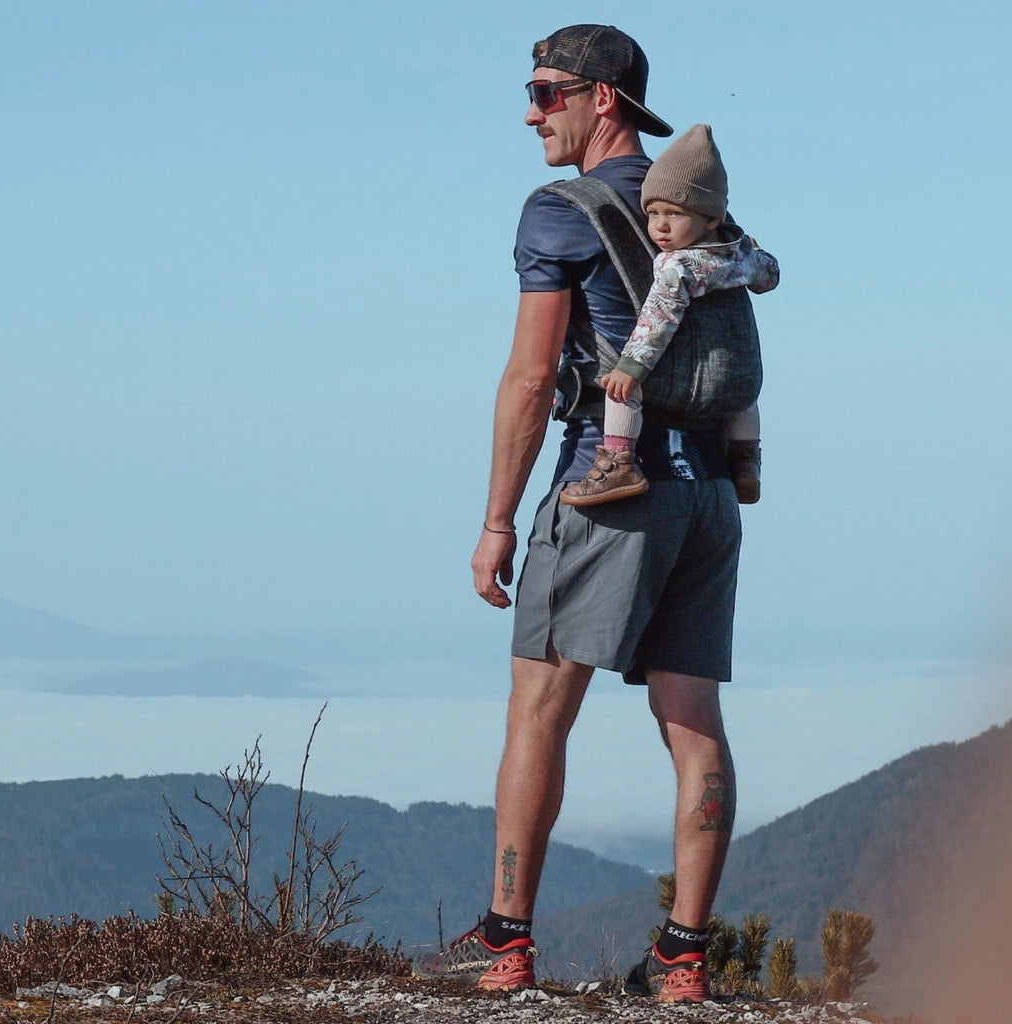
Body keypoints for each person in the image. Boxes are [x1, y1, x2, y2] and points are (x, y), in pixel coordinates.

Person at [413, 24, 745, 1004]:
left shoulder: (560, 211)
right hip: (710, 496)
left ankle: (505, 942)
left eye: (545, 90)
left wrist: (497, 519)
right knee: (693, 723)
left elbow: (527, 379)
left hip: (608, 492)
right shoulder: (698, 206)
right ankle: (682, 960)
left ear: (603, 97)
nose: (530, 111)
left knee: (538, 707)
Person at [560, 123, 779, 508]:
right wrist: (754, 255)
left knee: (619, 388)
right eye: (653, 213)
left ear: (711, 219)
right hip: (738, 379)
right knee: (744, 398)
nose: (660, 225)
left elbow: (657, 320)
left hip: (684, 383)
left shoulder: (677, 266)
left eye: (675, 214)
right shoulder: (738, 253)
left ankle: (619, 461)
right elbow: (769, 276)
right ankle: (746, 461)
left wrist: (631, 368)